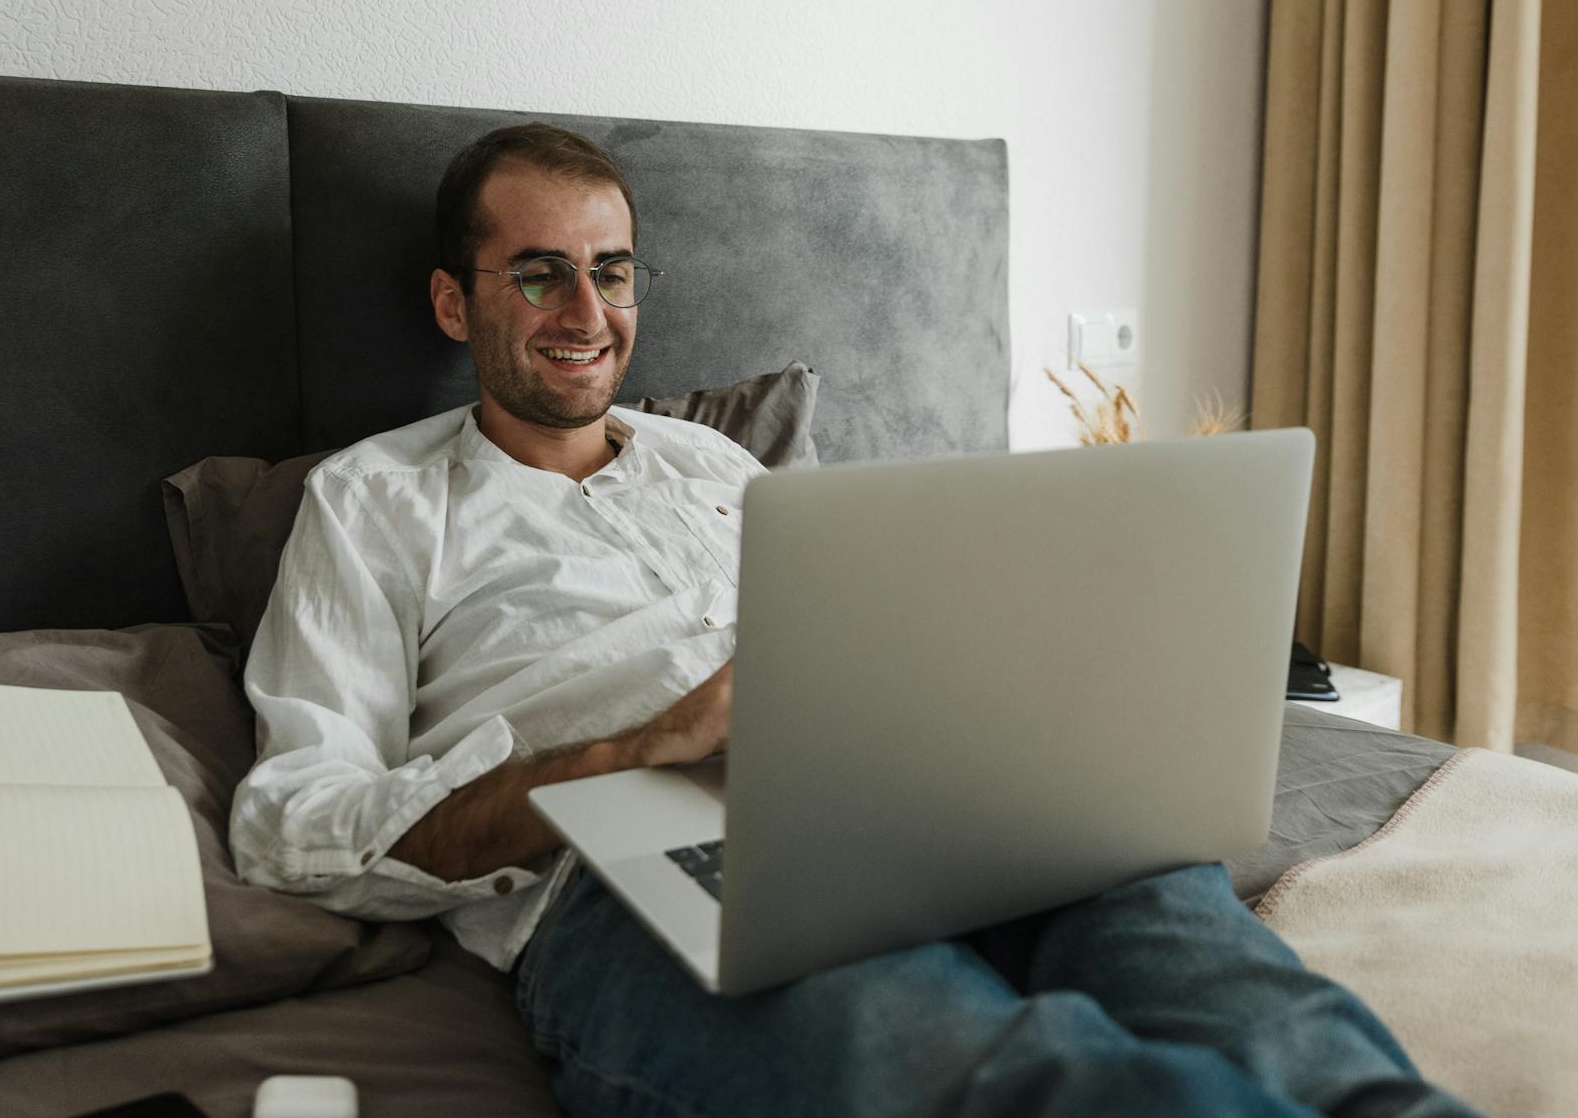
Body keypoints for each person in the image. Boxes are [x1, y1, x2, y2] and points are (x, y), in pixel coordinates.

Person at [231, 124, 1479, 1117]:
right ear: (456, 304)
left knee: (1223, 975)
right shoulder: (373, 498)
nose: (585, 311)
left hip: (919, 793)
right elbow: (294, 827)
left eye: (610, 271)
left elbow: (879, 616)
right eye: (539, 272)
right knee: (971, 1065)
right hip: (624, 865)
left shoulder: (713, 464)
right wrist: (627, 753)